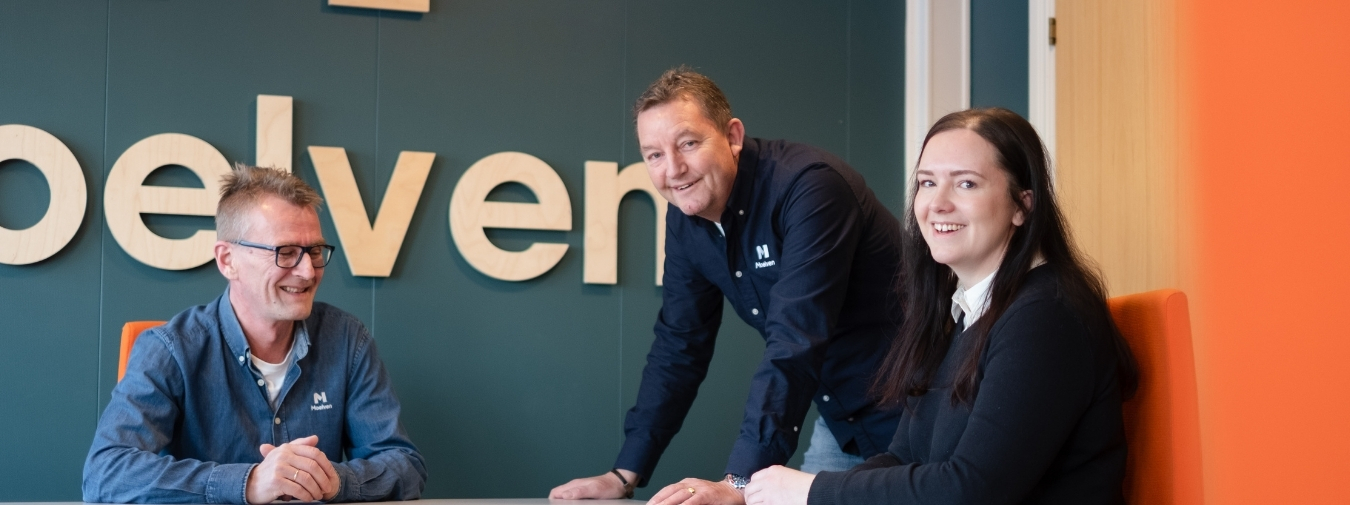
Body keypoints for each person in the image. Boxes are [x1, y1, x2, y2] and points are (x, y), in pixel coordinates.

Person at [743, 108, 1140, 505]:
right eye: (927, 183)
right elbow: (903, 456)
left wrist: (813, 490)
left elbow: (971, 490)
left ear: (1022, 205)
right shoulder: (962, 312)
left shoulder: (1046, 315)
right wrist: (773, 492)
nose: (938, 203)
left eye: (966, 184)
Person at [550, 67, 904, 504]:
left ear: (732, 136)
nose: (673, 169)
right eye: (654, 155)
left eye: (688, 144)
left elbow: (795, 339)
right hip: (841, 423)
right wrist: (625, 474)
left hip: (920, 415)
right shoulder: (686, 219)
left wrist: (738, 481)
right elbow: (680, 345)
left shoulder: (810, 187)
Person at [83, 164, 426, 504]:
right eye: (286, 252)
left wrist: (334, 481)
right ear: (228, 259)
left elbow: (404, 465)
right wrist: (247, 483)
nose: (307, 272)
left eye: (315, 251)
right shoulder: (171, 349)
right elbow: (106, 474)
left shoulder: (348, 340)